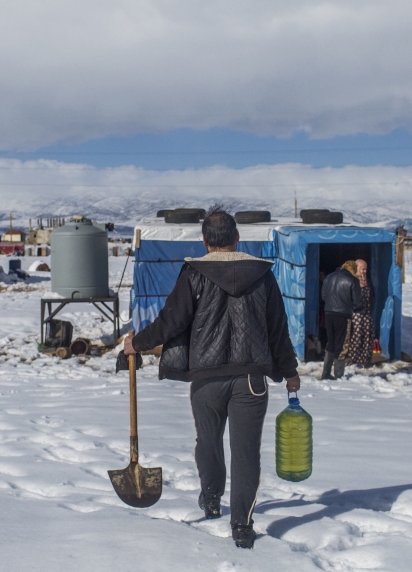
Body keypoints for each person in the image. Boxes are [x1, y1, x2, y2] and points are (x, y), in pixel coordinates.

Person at [123, 208, 300, 550]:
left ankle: (212, 497)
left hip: (206, 379)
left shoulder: (194, 272)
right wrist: (290, 372)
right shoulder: (263, 275)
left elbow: (170, 321)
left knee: (208, 442)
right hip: (252, 379)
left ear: (204, 242)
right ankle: (242, 525)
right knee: (246, 453)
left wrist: (137, 343)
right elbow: (278, 330)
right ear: (237, 238)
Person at [320, 259, 364, 379]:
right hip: (343, 315)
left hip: (329, 314)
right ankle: (338, 374)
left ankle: (326, 373)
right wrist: (358, 309)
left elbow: (323, 296)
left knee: (331, 343)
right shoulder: (353, 280)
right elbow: (357, 302)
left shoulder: (329, 277)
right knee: (342, 344)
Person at [340, 259, 374, 368]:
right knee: (356, 336)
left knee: (368, 336)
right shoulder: (352, 280)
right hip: (356, 314)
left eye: (365, 269)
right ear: (356, 269)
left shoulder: (368, 281)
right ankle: (352, 360)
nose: (364, 271)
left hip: (367, 313)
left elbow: (372, 296)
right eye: (362, 269)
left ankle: (365, 360)